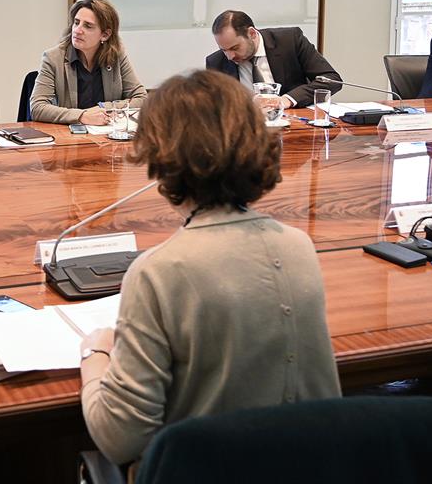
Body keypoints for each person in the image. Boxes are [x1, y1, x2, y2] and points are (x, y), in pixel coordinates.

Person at [79, 70, 340, 467]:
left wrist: (96, 353)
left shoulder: (157, 272)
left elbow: (119, 440)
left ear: (161, 156)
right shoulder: (298, 246)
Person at [30, 0, 145, 125]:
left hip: (105, 137)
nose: (78, 30)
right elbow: (37, 107)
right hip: (70, 137)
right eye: (76, 22)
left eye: (88, 26)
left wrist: (103, 107)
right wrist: (82, 116)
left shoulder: (116, 56)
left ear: (105, 35)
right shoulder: (53, 58)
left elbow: (141, 98)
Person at [205, 10, 341, 109]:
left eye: (235, 48)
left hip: (295, 125)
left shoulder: (290, 40)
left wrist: (287, 99)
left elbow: (331, 79)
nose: (230, 57)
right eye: (224, 50)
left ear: (251, 34)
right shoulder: (216, 63)